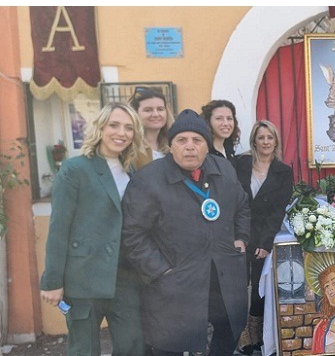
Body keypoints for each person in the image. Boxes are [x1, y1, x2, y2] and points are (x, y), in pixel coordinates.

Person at [121, 109, 251, 356]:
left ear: (207, 145)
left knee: (229, 330)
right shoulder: (148, 179)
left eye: (197, 140)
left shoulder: (224, 170)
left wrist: (241, 239)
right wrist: (161, 270)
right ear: (171, 146)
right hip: (174, 281)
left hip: (221, 275)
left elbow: (242, 205)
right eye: (182, 140)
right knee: (168, 343)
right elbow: (133, 234)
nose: (190, 147)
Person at [40, 103, 145, 356]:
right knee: (84, 350)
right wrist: (52, 281)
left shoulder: (129, 169)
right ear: (100, 127)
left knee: (134, 346)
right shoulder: (74, 169)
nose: (122, 132)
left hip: (125, 277)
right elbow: (59, 228)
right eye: (114, 125)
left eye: (129, 127)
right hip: (83, 278)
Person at [234, 120, 294, 354]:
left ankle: (254, 336)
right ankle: (237, 334)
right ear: (254, 141)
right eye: (261, 137)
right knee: (237, 287)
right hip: (238, 232)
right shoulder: (240, 164)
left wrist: (266, 242)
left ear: (275, 141)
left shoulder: (283, 171)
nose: (266, 142)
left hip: (262, 235)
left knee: (259, 288)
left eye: (270, 137)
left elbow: (278, 210)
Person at [129, 87, 173, 165]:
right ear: (135, 113)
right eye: (148, 110)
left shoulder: (172, 146)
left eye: (160, 109)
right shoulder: (130, 149)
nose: (156, 114)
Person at [201, 99, 241, 164]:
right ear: (208, 121)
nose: (226, 123)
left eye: (229, 118)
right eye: (219, 118)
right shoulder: (205, 153)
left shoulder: (229, 150)